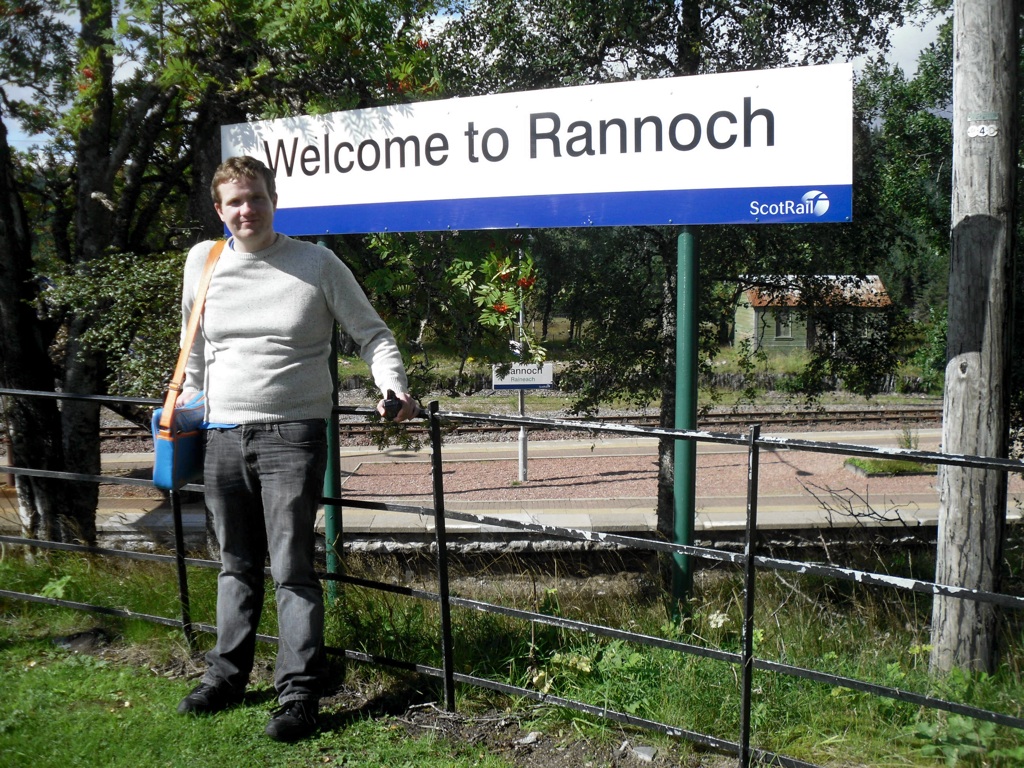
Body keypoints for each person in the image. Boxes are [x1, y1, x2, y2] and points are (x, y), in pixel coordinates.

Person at [174, 155, 417, 742]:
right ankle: (225, 677)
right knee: (234, 563)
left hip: (292, 435)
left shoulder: (317, 263)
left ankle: (298, 695)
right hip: (221, 434)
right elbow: (195, 346)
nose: (247, 210)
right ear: (220, 209)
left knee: (292, 569)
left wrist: (393, 387)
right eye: (235, 202)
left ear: (274, 200)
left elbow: (373, 334)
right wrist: (188, 406)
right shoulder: (203, 261)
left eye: (256, 197)